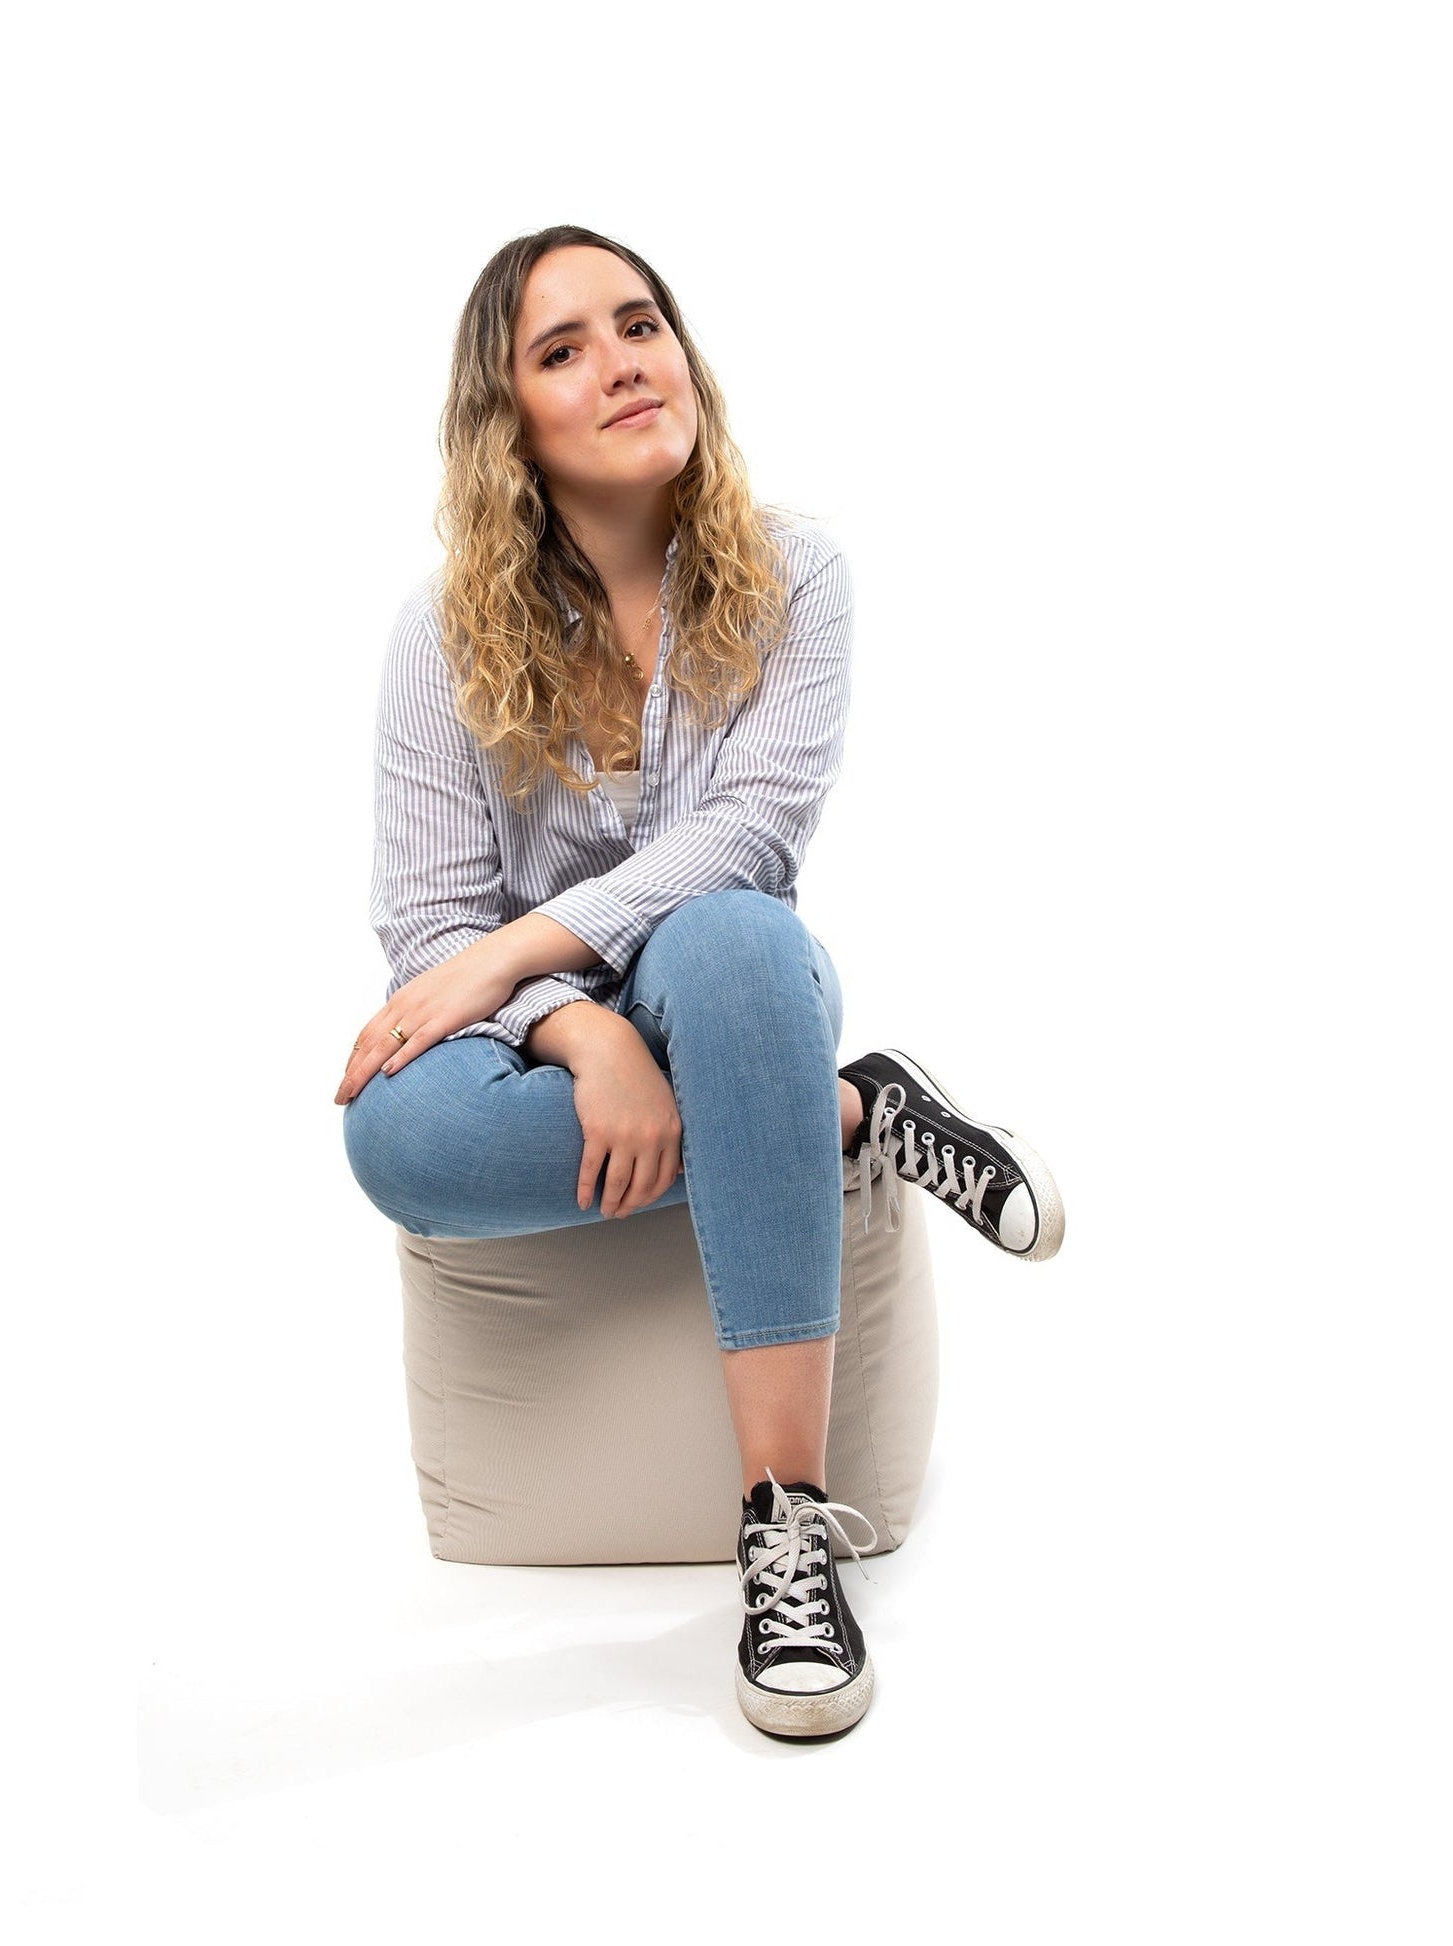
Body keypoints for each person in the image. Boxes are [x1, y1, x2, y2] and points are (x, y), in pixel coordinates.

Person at [337, 225, 1064, 1741]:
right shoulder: (439, 634)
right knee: (397, 1133)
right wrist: (575, 1028)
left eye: (639, 323)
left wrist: (522, 950)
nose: (620, 364)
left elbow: (748, 835)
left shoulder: (797, 574)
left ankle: (786, 1525)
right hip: (556, 1050)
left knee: (731, 936)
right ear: (507, 422)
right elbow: (429, 933)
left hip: (729, 992)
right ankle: (847, 1112)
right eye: (563, 350)